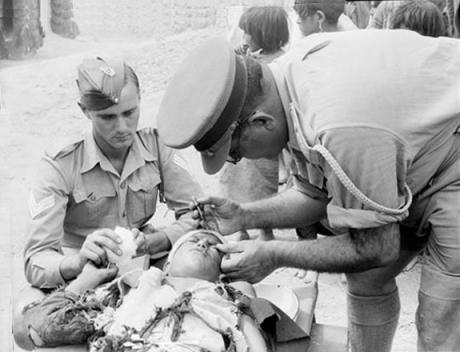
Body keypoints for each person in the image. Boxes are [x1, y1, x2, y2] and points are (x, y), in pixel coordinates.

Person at [156, 32, 460, 352]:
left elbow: (376, 247)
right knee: (366, 280)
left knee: (439, 320)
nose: (238, 161)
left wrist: (275, 254)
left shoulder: (341, 124)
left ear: (261, 122)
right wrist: (244, 215)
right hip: (422, 162)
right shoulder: (285, 85)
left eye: (235, 152)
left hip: (452, 166)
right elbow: (315, 193)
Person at [13, 56, 203, 349]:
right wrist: (75, 261)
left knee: (201, 268)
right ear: (85, 111)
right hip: (81, 276)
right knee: (23, 328)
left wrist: (157, 240)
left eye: (130, 112)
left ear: (140, 100)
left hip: (146, 265)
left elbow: (196, 214)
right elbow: (36, 258)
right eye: (107, 117)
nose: (122, 127)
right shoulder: (61, 163)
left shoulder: (156, 146)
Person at [19, 230, 305, 351]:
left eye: (213, 246)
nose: (204, 244)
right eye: (194, 241)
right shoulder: (132, 288)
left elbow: (253, 337)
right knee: (33, 320)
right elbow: (42, 325)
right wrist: (88, 278)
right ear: (168, 264)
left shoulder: (226, 295)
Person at [220, 6, 289, 241]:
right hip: (242, 139)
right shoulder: (249, 58)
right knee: (234, 184)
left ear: (264, 32)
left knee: (261, 189)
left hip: (262, 145)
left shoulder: (281, 62)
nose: (245, 38)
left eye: (248, 32)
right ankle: (241, 229)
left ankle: (265, 231)